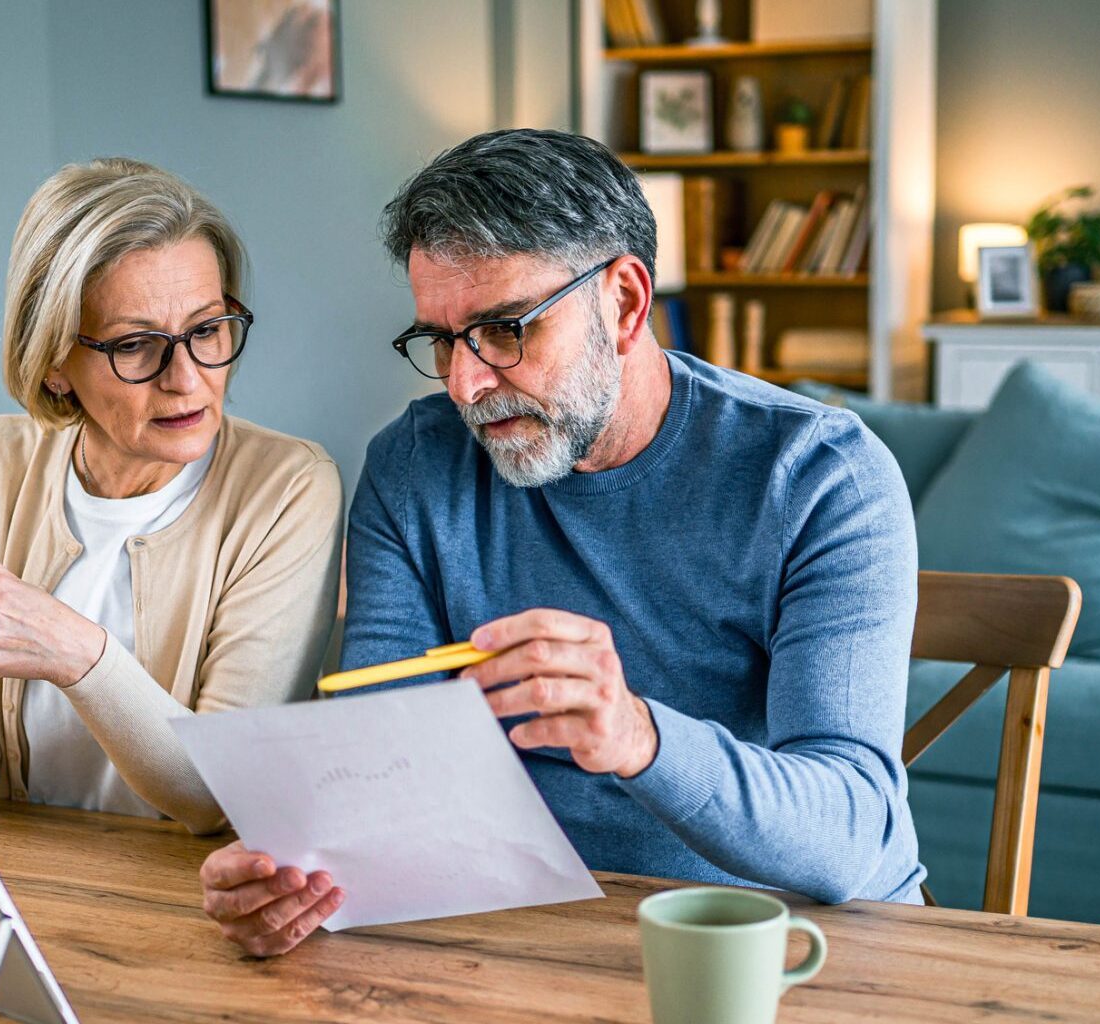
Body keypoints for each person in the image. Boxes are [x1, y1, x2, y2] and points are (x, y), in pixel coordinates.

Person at [199, 128, 924, 955]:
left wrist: (637, 735)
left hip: (786, 941)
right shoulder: (413, 466)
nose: (467, 384)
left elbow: (851, 833)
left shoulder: (820, 476)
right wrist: (298, 881)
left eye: (506, 328)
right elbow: (380, 763)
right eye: (441, 340)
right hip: (521, 934)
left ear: (623, 302)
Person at [0, 158, 343, 834]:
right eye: (137, 345)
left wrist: (78, 653)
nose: (187, 380)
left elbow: (215, 795)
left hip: (207, 899)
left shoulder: (288, 488)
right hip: (39, 890)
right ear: (54, 363)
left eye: (207, 329)